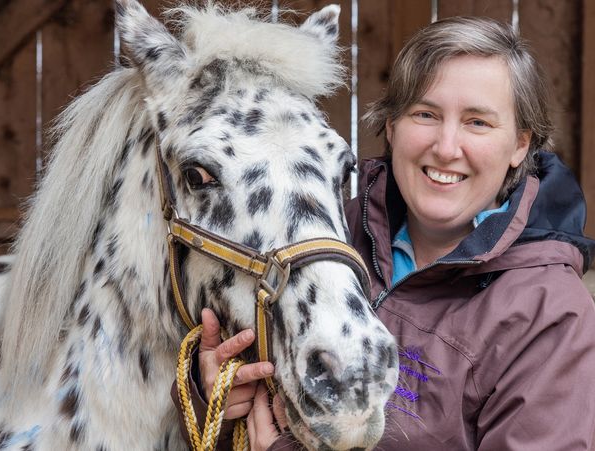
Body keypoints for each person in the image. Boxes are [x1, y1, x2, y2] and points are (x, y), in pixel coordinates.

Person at [187, 16, 595, 450]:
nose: (446, 147)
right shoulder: (318, 242)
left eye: (477, 122)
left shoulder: (549, 312)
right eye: (425, 114)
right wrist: (209, 394)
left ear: (519, 145)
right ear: (392, 126)